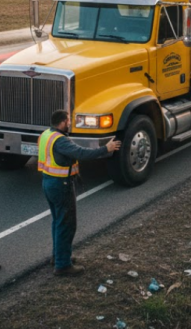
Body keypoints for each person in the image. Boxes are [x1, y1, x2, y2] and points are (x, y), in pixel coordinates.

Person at [39, 109, 121, 276]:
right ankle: (63, 265)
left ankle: (58, 257)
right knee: (66, 225)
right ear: (62, 122)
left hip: (48, 182)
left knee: (58, 221)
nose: (70, 123)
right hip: (61, 184)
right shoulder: (60, 140)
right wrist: (106, 148)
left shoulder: (46, 135)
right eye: (68, 121)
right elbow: (82, 153)